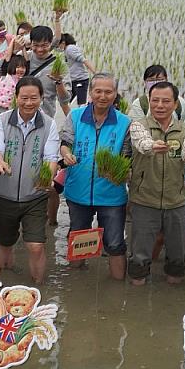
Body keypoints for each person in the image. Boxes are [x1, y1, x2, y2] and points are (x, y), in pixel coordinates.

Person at [128, 82, 185, 286]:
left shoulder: (184, 129)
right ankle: (136, 304)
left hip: (176, 201)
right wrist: (153, 146)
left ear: (176, 103)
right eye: (155, 100)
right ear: (149, 101)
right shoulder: (138, 125)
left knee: (178, 257)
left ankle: (172, 308)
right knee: (140, 256)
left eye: (166, 101)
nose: (160, 105)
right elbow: (142, 144)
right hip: (144, 200)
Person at [0, 77, 60, 284]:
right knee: (5, 242)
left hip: (35, 196)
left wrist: (47, 177)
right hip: (4, 194)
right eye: (24, 98)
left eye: (34, 98)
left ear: (41, 98)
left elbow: (50, 157)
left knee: (36, 245)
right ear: (16, 97)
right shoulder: (2, 121)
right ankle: (4, 286)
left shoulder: (48, 124)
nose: (29, 103)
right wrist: (0, 163)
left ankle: (38, 289)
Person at [59, 73, 130, 280]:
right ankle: (75, 289)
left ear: (115, 94)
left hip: (112, 195)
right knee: (77, 238)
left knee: (115, 243)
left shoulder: (125, 123)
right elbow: (65, 142)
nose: (103, 96)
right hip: (78, 191)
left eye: (109, 92)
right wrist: (66, 154)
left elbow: (127, 157)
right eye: (98, 91)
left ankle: (117, 294)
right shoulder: (76, 116)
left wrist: (119, 172)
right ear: (90, 92)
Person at [0, 25, 70, 119]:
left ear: (51, 43)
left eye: (44, 45)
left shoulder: (58, 65)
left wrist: (59, 82)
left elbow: (65, 99)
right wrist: (13, 50)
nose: (40, 49)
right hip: (18, 118)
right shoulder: (23, 57)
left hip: (43, 118)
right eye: (36, 45)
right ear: (31, 43)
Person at [59, 33, 95, 106]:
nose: (57, 47)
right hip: (73, 80)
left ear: (63, 42)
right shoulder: (66, 50)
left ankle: (82, 116)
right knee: (64, 101)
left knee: (81, 104)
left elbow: (84, 60)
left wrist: (96, 73)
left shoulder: (70, 49)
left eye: (58, 44)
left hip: (80, 79)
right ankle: (71, 116)